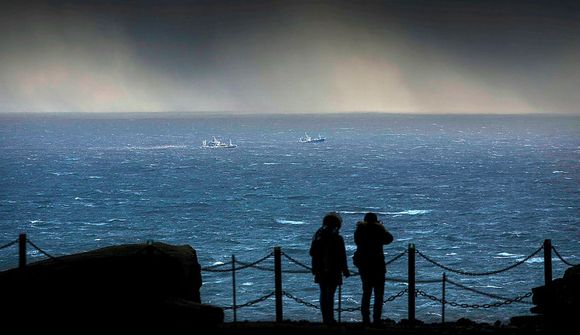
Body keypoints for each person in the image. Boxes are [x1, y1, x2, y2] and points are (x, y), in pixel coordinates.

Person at [353, 212, 394, 325]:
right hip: (377, 265)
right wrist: (381, 227)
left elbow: (356, 241)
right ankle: (377, 319)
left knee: (366, 293)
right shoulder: (378, 230)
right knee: (378, 294)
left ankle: (365, 318)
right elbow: (390, 239)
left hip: (364, 265)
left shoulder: (359, 230)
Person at [309, 212, 350, 325]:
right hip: (334, 269)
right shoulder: (338, 238)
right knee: (330, 294)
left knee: (323, 293)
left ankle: (325, 318)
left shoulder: (318, 236)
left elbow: (312, 252)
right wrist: (345, 270)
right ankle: (330, 318)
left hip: (320, 268)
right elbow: (342, 256)